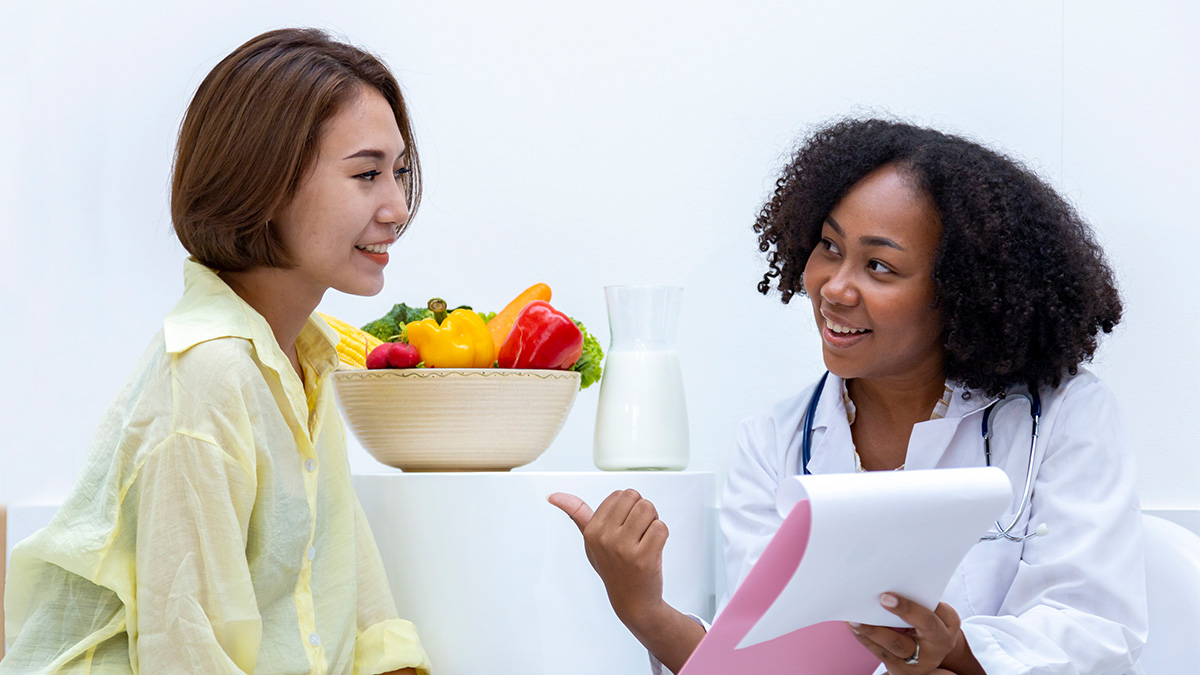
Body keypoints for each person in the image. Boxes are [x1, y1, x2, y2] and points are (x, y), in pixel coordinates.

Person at [550, 118, 1147, 674]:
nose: (834, 288)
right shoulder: (774, 443)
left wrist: (954, 649)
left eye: (880, 267)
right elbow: (762, 664)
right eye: (830, 247)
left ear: (961, 293)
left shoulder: (1065, 417)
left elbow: (1097, 634)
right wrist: (643, 610)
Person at [2, 28, 431, 674]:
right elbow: (188, 652)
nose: (397, 207)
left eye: (399, 172)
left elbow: (351, 594)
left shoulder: (304, 362)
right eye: (367, 174)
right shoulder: (212, 373)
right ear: (265, 180)